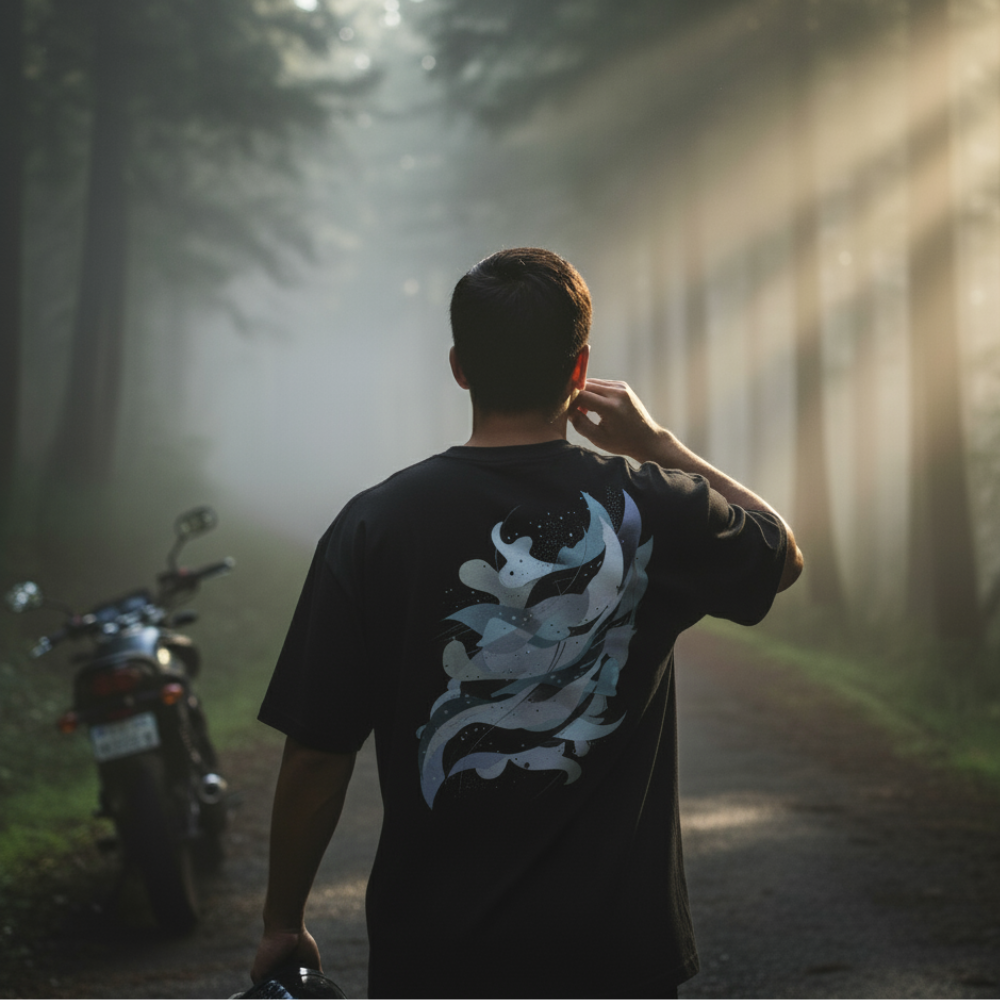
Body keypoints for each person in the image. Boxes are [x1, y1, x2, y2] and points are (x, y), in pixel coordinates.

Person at [251, 247, 804, 999]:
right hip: (614, 960)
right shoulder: (655, 506)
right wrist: (654, 443)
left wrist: (283, 922)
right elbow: (780, 553)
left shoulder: (374, 526)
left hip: (437, 959)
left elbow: (317, 754)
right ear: (578, 371)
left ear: (459, 367)